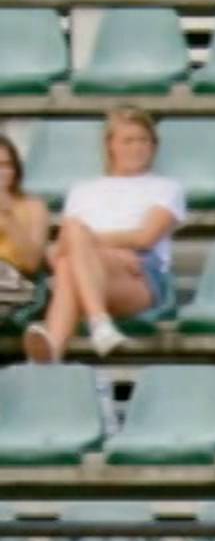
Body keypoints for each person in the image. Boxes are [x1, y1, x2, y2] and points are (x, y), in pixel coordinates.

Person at [28, 109, 182, 362]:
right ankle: (86, 333)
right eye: (128, 141)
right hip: (92, 270)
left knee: (73, 250)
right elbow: (58, 252)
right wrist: (104, 251)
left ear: (154, 146)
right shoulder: (82, 190)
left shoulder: (167, 187)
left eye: (144, 140)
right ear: (110, 145)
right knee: (67, 264)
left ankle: (60, 342)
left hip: (140, 273)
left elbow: (145, 238)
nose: (137, 148)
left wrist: (89, 243)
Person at [0, 137, 63, 363]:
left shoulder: (33, 206)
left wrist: (8, 216)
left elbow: (33, 261)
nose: (2, 172)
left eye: (7, 165)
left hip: (22, 283)